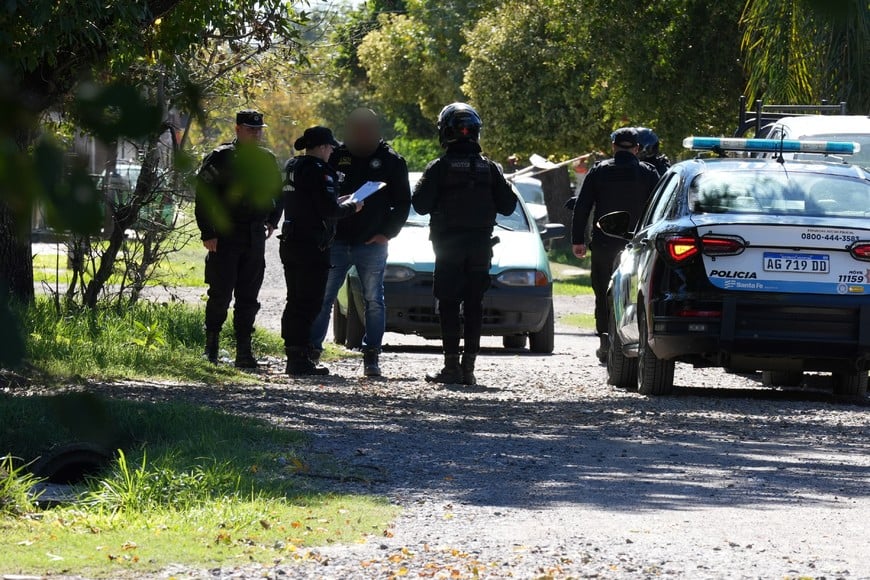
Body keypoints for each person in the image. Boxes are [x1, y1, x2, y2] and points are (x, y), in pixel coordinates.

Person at [412, 103, 517, 385]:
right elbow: (508, 207)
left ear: (445, 132)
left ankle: (451, 368)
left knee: (448, 304)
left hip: (448, 247)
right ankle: (468, 369)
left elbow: (420, 206)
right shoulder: (491, 169)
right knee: (474, 305)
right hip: (480, 248)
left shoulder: (440, 167)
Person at [310, 108, 411, 377]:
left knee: (373, 300)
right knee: (324, 297)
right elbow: (322, 194)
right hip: (337, 240)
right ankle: (312, 353)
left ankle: (372, 356)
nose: (362, 133)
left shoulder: (391, 161)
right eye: (357, 128)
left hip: (372, 243)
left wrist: (387, 233)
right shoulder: (337, 156)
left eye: (367, 128)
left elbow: (403, 204)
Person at [195, 109, 282, 368]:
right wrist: (208, 232)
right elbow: (203, 196)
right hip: (225, 235)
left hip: (254, 236)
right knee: (220, 294)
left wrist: (272, 220)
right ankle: (211, 348)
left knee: (249, 297)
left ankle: (244, 351)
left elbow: (277, 192)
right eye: (250, 129)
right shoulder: (221, 157)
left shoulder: (267, 159)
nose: (255, 134)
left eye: (258, 130)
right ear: (237, 129)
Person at [571, 127, 660, 363]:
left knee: (603, 293)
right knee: (637, 293)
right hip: (638, 246)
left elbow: (582, 206)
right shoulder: (649, 173)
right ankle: (635, 341)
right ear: (637, 149)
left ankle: (605, 341)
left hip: (604, 245)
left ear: (613, 147)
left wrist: (577, 240)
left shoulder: (599, 171)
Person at [280, 126, 363, 376]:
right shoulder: (320, 172)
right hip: (311, 246)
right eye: (330, 148)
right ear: (323, 147)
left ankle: (293, 353)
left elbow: (309, 204)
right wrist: (351, 207)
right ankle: (301, 358)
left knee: (294, 299)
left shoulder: (292, 167)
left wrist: (337, 202)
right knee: (310, 301)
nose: (331, 153)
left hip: (292, 241)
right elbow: (328, 211)